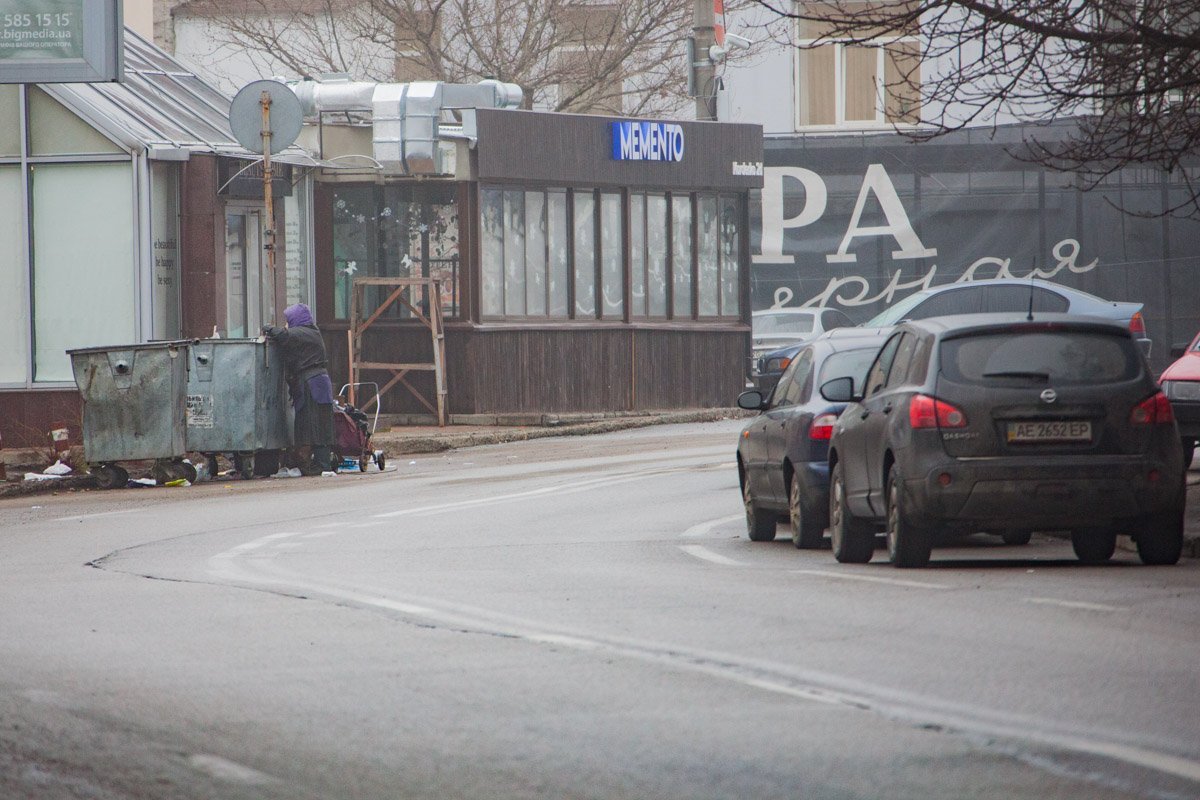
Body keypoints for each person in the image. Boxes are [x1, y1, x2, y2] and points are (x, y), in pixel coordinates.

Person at [263, 304, 335, 476]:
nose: (287, 324)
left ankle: (322, 464)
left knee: (315, 424)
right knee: (317, 423)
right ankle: (320, 463)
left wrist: (267, 327)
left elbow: (283, 335)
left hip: (313, 385)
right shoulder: (311, 332)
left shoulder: (304, 332)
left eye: (288, 320)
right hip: (317, 383)